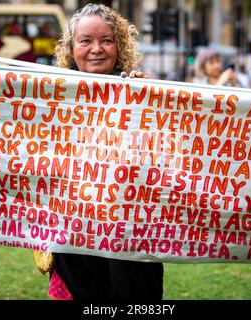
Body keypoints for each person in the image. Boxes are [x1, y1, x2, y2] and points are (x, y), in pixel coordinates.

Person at [43, 3, 163, 301]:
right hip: (74, 248)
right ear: (71, 49)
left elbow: (164, 160)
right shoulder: (49, 99)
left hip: (133, 244)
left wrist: (154, 106)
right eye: (85, 40)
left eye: (106, 40)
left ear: (118, 46)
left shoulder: (142, 94)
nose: (96, 49)